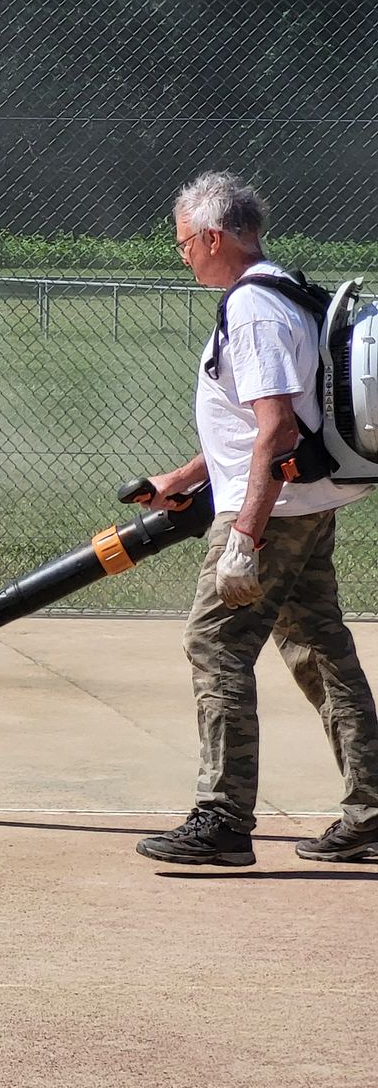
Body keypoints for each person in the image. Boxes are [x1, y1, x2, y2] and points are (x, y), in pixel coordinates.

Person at [135, 171, 378, 867]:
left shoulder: (253, 309)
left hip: (270, 513)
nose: (182, 255)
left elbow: (272, 431)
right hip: (303, 505)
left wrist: (243, 535)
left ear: (214, 236)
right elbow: (253, 427)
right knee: (324, 654)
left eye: (184, 243)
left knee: (215, 646)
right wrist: (181, 479)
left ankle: (222, 820)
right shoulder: (280, 292)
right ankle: (372, 810)